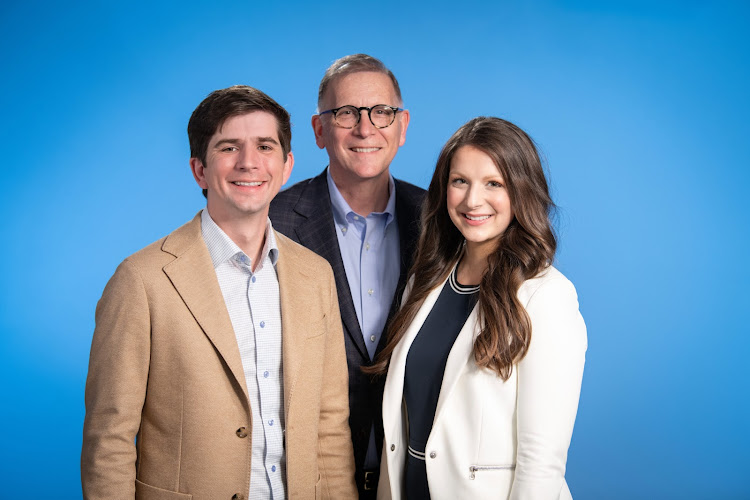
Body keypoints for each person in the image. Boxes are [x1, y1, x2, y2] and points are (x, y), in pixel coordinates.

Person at [81, 85, 357, 500]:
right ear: (199, 170)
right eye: (229, 147)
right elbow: (109, 441)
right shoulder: (141, 280)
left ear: (286, 166)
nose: (249, 162)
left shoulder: (316, 275)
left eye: (265, 146)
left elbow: (330, 424)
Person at [373, 117, 587, 499]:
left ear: (521, 190)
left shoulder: (546, 296)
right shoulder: (425, 281)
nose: (473, 200)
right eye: (460, 181)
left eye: (494, 183)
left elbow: (542, 460)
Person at [269, 54, 425, 497]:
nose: (365, 128)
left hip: (415, 476)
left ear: (402, 126)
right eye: (346, 113)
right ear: (319, 130)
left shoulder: (440, 220)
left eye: (382, 112)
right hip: (309, 477)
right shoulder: (273, 222)